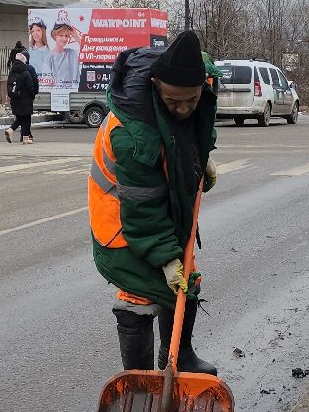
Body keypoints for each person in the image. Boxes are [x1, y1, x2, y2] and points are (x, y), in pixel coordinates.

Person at [88, 29, 221, 376]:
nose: (182, 108)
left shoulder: (197, 85)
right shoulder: (132, 135)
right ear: (155, 85)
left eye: (190, 101)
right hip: (120, 214)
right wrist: (165, 259)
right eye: (172, 100)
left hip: (159, 203)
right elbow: (142, 211)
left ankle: (179, 356)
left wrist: (199, 156)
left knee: (185, 276)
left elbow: (192, 124)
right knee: (142, 290)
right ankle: (140, 378)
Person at [6, 44, 39, 144]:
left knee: (21, 116)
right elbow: (32, 85)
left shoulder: (12, 71)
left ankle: (24, 136)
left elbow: (9, 83)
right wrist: (33, 94)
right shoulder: (27, 70)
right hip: (26, 98)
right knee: (26, 117)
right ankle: (18, 134)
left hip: (15, 97)